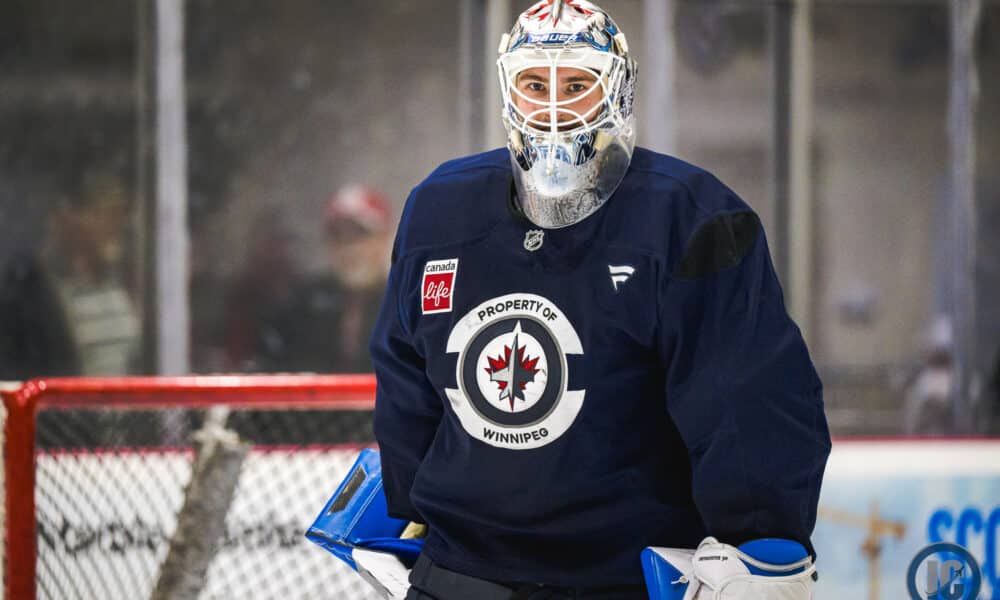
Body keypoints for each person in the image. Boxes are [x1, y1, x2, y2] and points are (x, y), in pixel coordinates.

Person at [369, 1, 830, 598]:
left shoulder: (689, 217)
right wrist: (408, 503)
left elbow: (746, 397)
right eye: (535, 85)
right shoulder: (439, 209)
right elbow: (405, 378)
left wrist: (762, 541)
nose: (553, 110)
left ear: (618, 89)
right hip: (460, 574)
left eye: (576, 85)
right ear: (509, 91)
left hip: (620, 579)